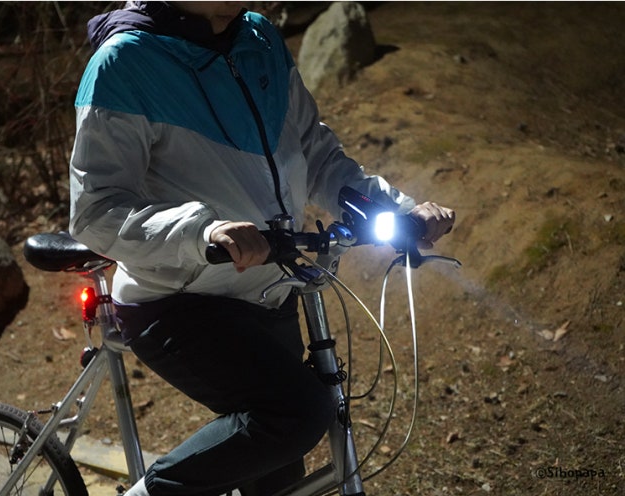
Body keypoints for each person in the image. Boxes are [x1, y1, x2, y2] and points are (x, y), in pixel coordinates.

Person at [69, 2, 455, 495]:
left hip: (270, 288)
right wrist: (203, 233)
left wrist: (399, 210)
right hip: (177, 300)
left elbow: (317, 155)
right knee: (296, 414)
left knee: (277, 477)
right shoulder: (124, 62)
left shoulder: (258, 38)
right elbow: (96, 209)